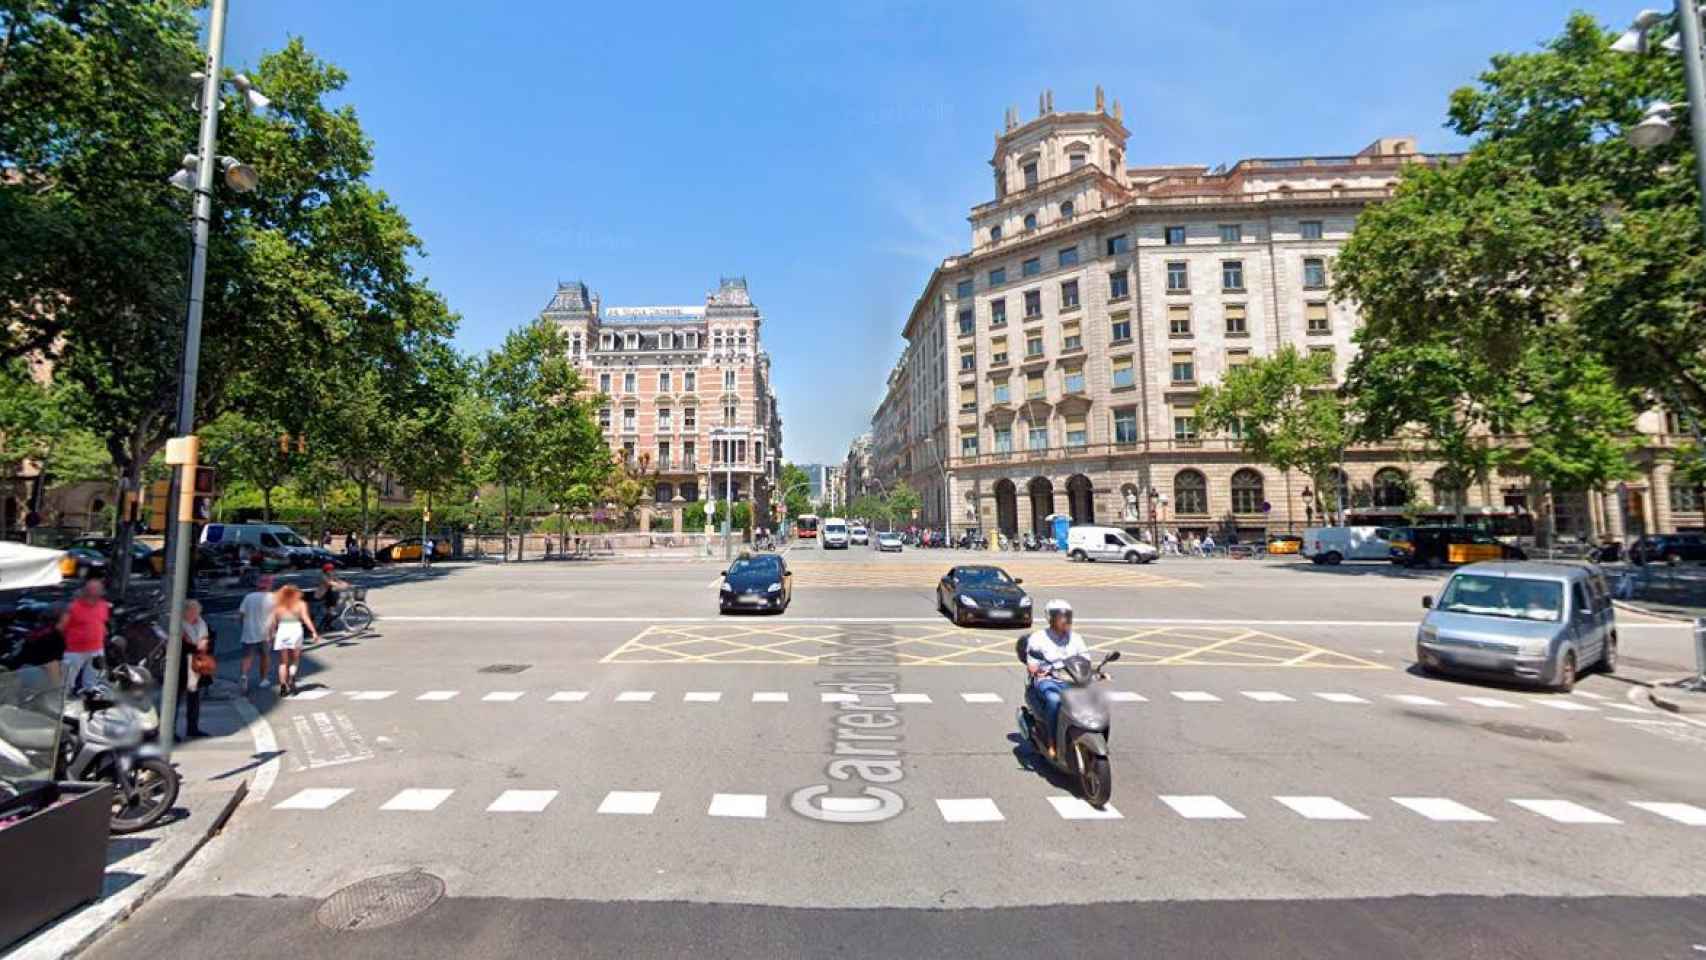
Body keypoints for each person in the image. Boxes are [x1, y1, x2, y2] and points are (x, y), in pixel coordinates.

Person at [1022, 599, 1089, 755]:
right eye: (1061, 616)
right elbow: (1032, 663)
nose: (1066, 620)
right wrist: (1037, 669)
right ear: (1051, 618)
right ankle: (1052, 741)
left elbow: (1085, 659)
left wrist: (1096, 672)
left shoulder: (1076, 638)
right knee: (1055, 700)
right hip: (1048, 680)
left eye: (1068, 616)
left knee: (1093, 698)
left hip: (1072, 680)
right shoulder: (1038, 638)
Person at [57, 578, 110, 696]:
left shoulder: (103, 606)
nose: (97, 592)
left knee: (92, 681)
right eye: (94, 589)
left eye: (99, 589)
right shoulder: (73, 607)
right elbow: (61, 627)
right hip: (75, 651)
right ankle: (62, 703)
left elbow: (102, 623)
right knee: (66, 682)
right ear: (87, 591)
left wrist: (100, 633)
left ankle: (88, 699)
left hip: (97, 649)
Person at [268, 584, 319, 697]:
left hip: (282, 630)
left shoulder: (277, 605)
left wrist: (271, 635)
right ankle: (291, 677)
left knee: (283, 662)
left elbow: (273, 622)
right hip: (295, 630)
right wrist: (314, 632)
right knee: (295, 659)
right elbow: (306, 618)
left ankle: (283, 686)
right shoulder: (300, 604)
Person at [237, 574, 276, 695]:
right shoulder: (273, 597)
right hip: (265, 633)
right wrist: (274, 632)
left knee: (247, 657)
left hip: (249, 632)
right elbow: (275, 618)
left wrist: (243, 625)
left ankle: (244, 676)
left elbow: (241, 615)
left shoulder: (249, 597)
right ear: (269, 585)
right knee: (265, 657)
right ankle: (263, 679)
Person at [177, 599, 210, 739]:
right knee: (175, 698)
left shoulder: (201, 623)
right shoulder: (178, 625)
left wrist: (205, 641)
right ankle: (168, 730)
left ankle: (193, 729)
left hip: (196, 664)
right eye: (194, 612)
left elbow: (206, 638)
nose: (197, 615)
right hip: (180, 666)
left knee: (194, 697)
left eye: (198, 612)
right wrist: (196, 645)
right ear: (186, 612)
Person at [312, 563, 349, 631]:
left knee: (333, 612)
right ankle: (315, 628)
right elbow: (330, 582)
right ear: (326, 570)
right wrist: (339, 585)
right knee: (324, 613)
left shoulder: (331, 574)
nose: (332, 571)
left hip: (329, 595)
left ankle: (328, 625)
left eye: (332, 569)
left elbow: (337, 580)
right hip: (321, 596)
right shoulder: (323, 576)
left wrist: (345, 583)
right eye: (330, 570)